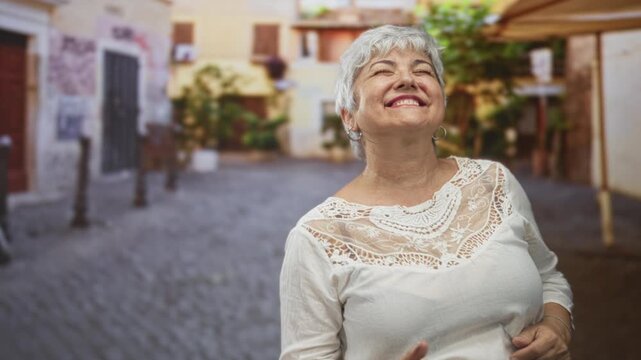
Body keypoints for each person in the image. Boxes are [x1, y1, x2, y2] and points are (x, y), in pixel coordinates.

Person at [279, 25, 573, 360]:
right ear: (350, 116)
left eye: (422, 70)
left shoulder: (494, 182)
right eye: (382, 71)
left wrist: (556, 325)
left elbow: (549, 277)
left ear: (440, 102)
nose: (407, 79)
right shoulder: (318, 237)